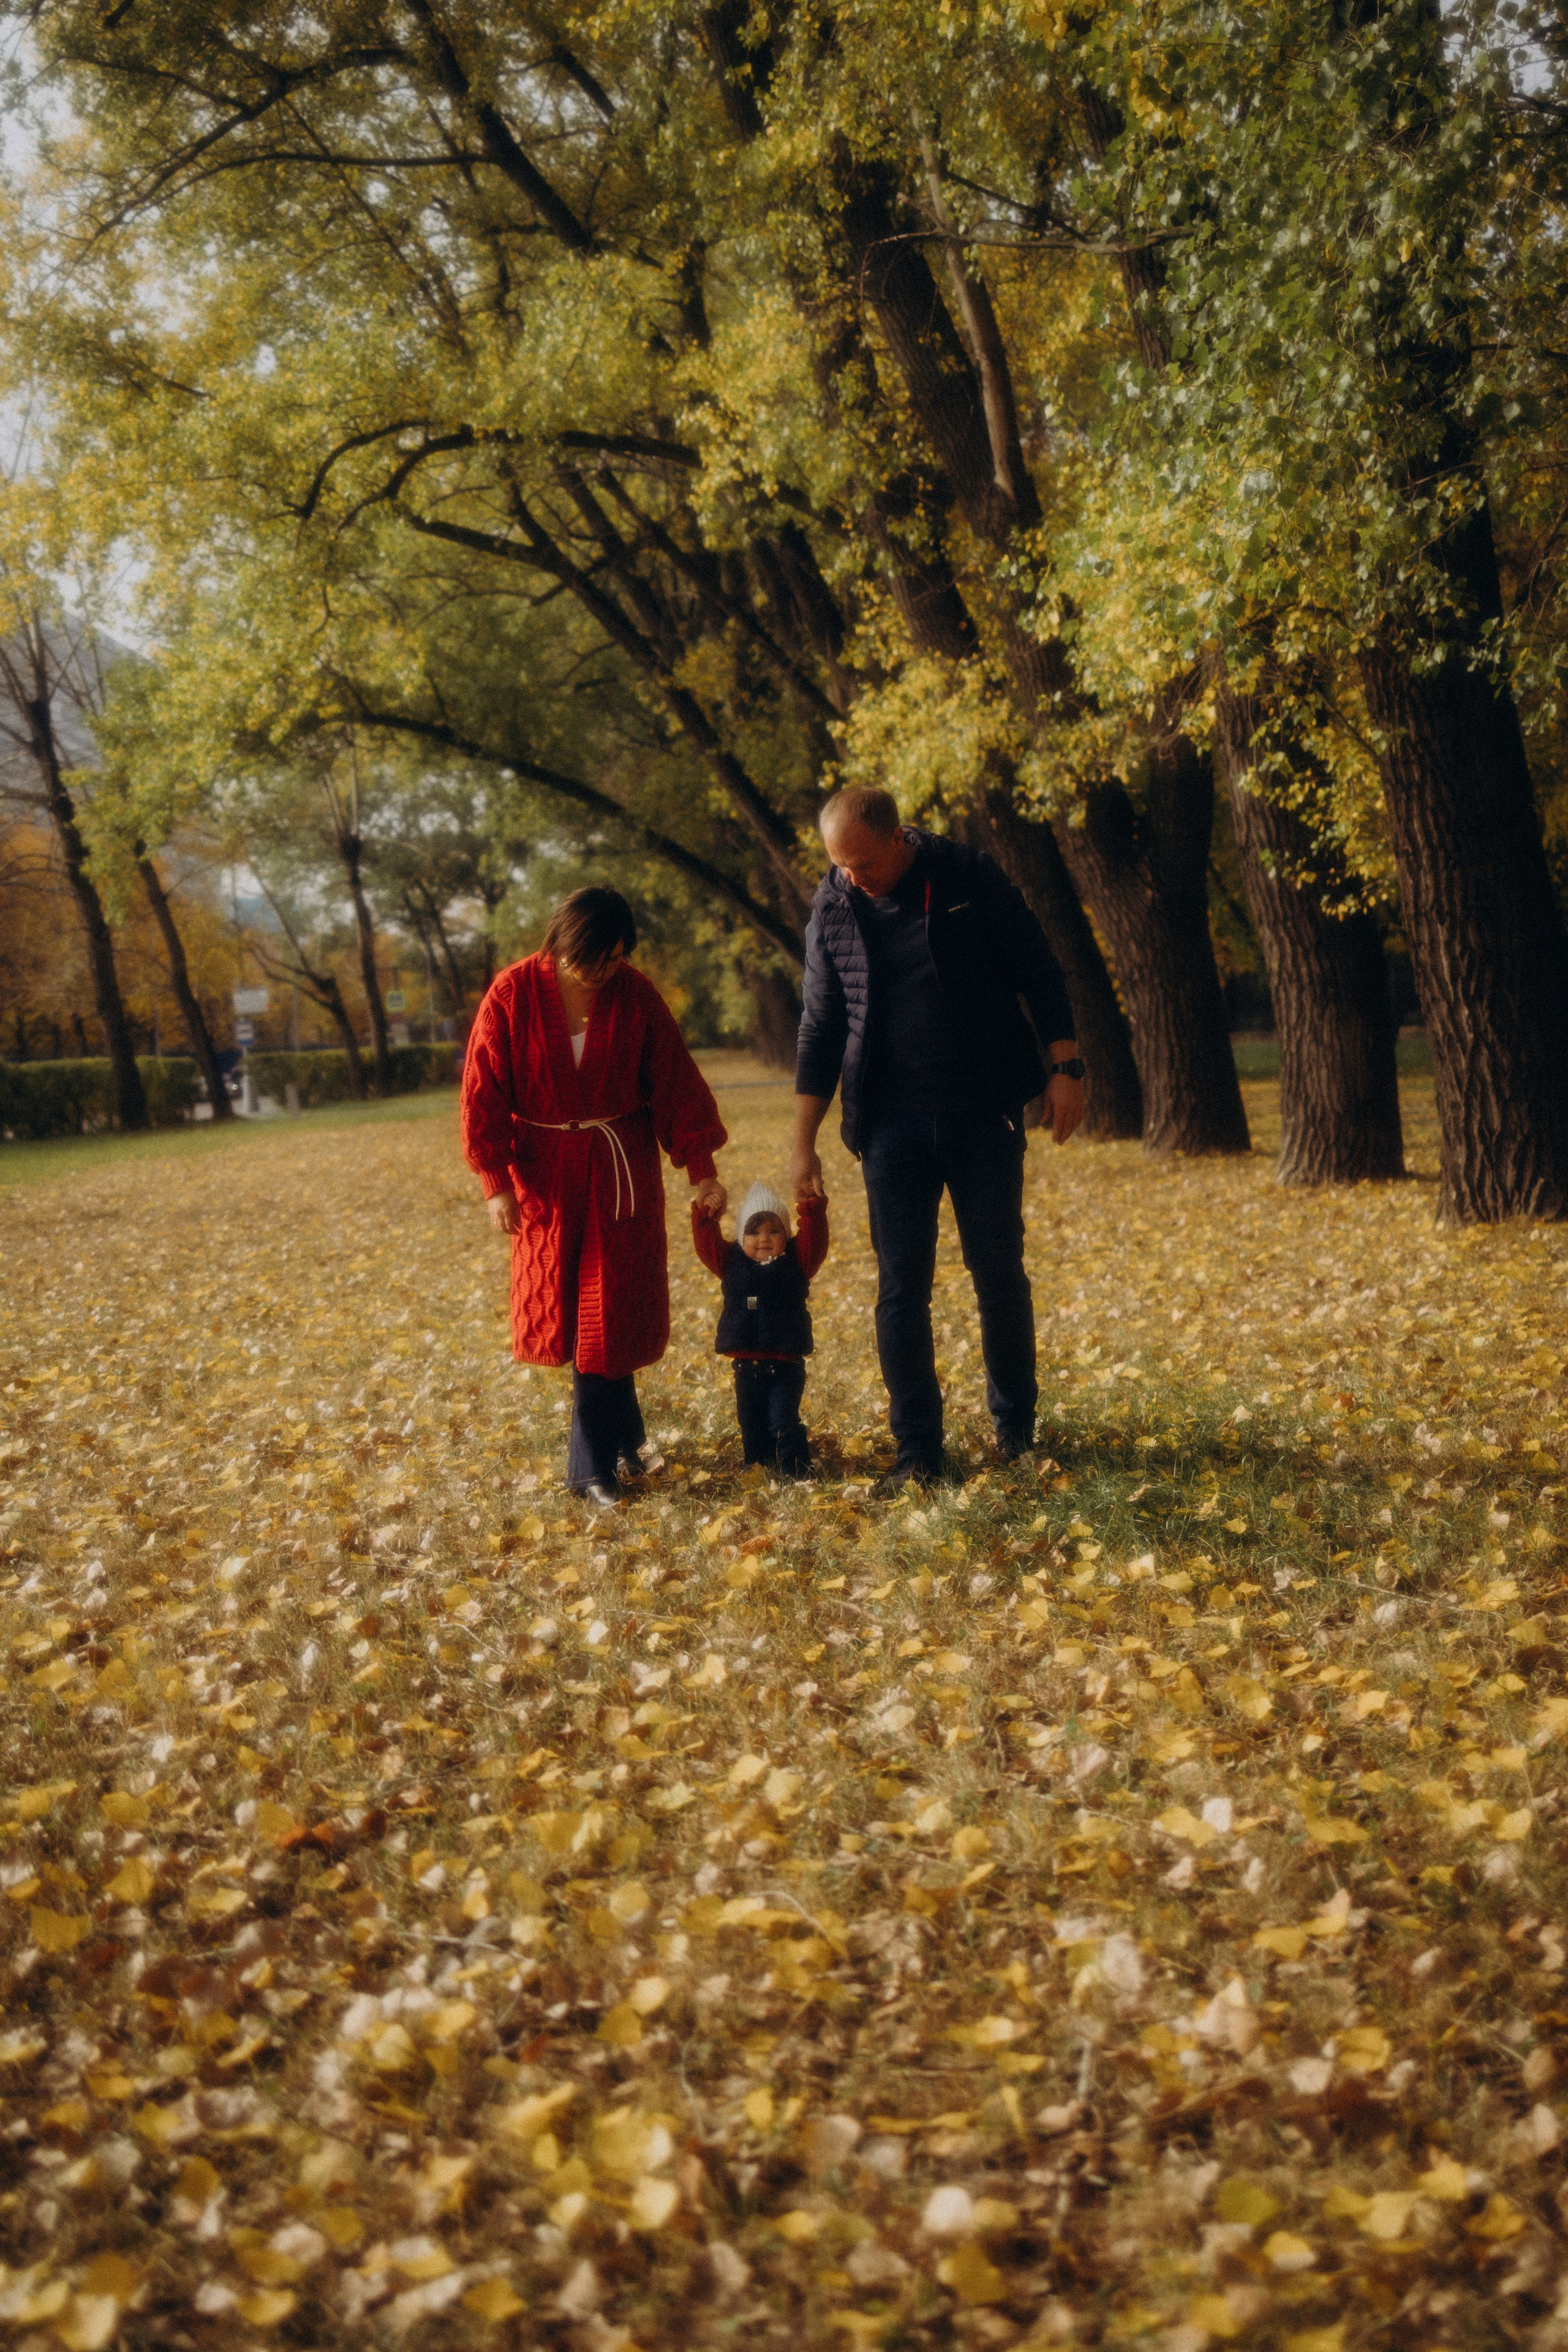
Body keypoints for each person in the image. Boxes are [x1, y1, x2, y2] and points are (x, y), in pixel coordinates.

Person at [791, 788, 1085, 1489]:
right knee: (901, 1289)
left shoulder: (967, 875)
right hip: (887, 1123)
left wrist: (1066, 1068)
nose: (853, 877)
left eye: (864, 863)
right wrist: (803, 1142)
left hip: (983, 1110)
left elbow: (1037, 969)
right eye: (840, 865)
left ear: (898, 838)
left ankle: (1016, 1431)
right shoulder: (833, 905)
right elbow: (820, 1026)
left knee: (998, 1273)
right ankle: (917, 1451)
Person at [461, 886, 728, 1509]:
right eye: (593, 959)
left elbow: (676, 1082)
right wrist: (495, 1184)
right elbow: (482, 1091)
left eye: (615, 958)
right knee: (581, 1315)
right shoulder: (511, 993)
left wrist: (702, 1170)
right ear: (563, 943)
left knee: (607, 1311)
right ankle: (628, 1439)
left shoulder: (636, 995)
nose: (605, 971)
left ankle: (590, 1469)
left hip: (621, 1173)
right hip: (545, 1179)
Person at [693, 1180, 829, 1479]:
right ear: (741, 1238)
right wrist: (706, 1216)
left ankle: (796, 1470)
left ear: (787, 1236)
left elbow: (816, 1239)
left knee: (783, 1420)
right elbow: (706, 1245)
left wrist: (812, 1210)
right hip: (746, 1366)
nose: (763, 1239)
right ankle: (758, 1466)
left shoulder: (798, 1261)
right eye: (753, 1232)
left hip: (785, 1365)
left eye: (773, 1231)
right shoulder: (731, 1262)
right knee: (750, 1421)